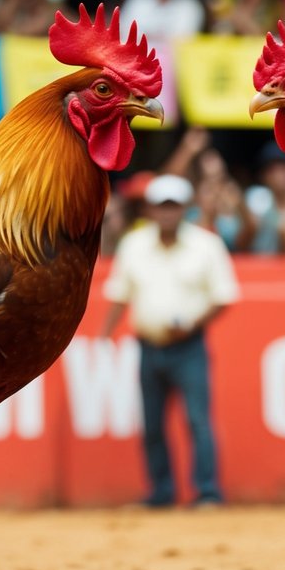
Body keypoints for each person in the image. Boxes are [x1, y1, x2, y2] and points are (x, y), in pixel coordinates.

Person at [100, 174, 240, 508]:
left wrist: (192, 324)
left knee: (197, 420)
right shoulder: (134, 245)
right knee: (152, 425)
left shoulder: (206, 244)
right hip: (149, 344)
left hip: (189, 346)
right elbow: (120, 294)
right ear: (150, 209)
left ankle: (207, 491)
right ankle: (161, 493)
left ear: (185, 209)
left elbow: (224, 296)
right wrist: (104, 336)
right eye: (162, 206)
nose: (167, 213)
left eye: (173, 206)